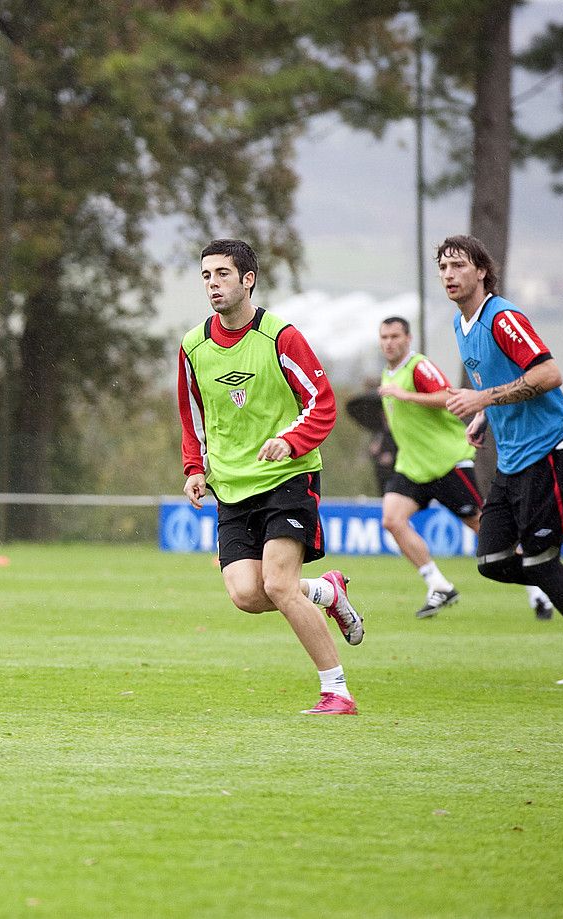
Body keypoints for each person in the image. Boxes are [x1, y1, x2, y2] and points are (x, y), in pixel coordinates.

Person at [177, 238, 364, 716]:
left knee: (279, 584)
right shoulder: (193, 346)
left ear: (248, 279)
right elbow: (193, 417)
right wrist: (196, 468)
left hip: (287, 479)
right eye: (206, 275)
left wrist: (291, 441)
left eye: (222, 274)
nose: (212, 283)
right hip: (232, 489)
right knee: (246, 594)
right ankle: (326, 591)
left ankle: (336, 691)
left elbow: (321, 403)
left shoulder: (281, 337)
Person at [440, 234, 563, 684]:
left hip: (549, 452)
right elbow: (503, 383)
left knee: (542, 562)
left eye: (459, 266)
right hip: (512, 461)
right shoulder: (460, 325)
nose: (448, 274)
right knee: (492, 561)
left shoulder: (502, 317)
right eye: (442, 267)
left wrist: (481, 396)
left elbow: (548, 373)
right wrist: (483, 415)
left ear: (481, 271)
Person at [375, 316, 553, 620]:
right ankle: (438, 585)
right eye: (384, 337)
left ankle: (538, 587)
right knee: (392, 520)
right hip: (414, 466)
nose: (389, 342)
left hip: (448, 462)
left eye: (395, 336)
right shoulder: (386, 374)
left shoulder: (418, 366)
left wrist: (406, 395)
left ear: (408, 338)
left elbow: (448, 396)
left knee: (484, 528)